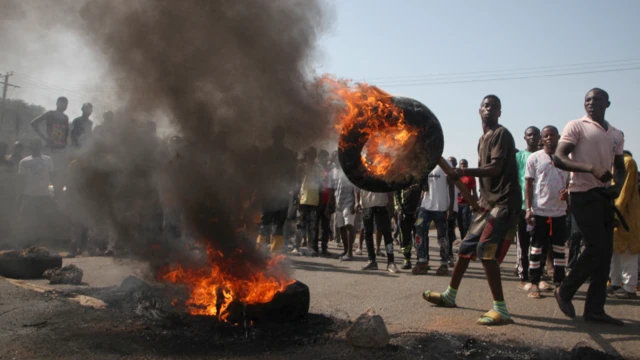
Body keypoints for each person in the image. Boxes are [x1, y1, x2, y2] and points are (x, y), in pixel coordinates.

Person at [423, 95, 520, 326]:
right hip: (488, 204)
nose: (490, 110)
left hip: (505, 202)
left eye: (494, 107)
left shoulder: (501, 134)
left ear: (499, 112)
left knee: (485, 249)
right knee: (466, 248)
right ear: (479, 111)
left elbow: (495, 169)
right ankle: (450, 295)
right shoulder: (482, 139)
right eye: (486, 106)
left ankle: (501, 309)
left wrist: (462, 173)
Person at [552, 88, 626, 326]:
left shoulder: (616, 133)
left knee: (605, 254)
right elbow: (559, 157)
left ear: (608, 103)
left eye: (597, 99)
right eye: (587, 99)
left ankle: (595, 310)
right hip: (581, 194)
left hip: (604, 197)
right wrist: (591, 169)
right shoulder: (576, 126)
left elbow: (620, 167)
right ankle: (564, 291)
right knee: (597, 246)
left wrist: (618, 186)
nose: (591, 103)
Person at [524, 125, 570, 299]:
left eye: (552, 135)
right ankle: (534, 282)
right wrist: (529, 209)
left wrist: (568, 192)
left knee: (559, 249)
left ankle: (559, 283)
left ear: (558, 137)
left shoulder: (566, 159)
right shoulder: (535, 158)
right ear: (541, 139)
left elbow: (570, 183)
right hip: (539, 211)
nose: (549, 138)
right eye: (546, 135)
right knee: (536, 249)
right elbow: (528, 185)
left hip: (559, 212)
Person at [256, 127, 297, 253]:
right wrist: (294, 193)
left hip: (269, 192)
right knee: (277, 223)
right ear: (282, 137)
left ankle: (260, 253)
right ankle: (274, 253)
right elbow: (293, 175)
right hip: (280, 193)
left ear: (272, 136)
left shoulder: (265, 152)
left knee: (266, 222)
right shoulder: (289, 154)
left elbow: (259, 174)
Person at [413, 161, 455, 276]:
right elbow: (423, 188)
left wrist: (450, 208)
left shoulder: (446, 164)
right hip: (425, 206)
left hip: (440, 207)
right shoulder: (425, 164)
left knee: (442, 237)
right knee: (419, 231)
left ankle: (443, 263)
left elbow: (451, 187)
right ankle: (422, 261)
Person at [608, 150, 639, 299]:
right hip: (613, 211)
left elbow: (624, 190)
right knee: (614, 250)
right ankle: (614, 283)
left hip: (625, 213)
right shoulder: (609, 162)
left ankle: (629, 287)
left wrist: (616, 213)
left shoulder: (627, 162)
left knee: (628, 251)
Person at [16, 140, 56, 246]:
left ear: (40, 147)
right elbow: (21, 180)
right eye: (34, 146)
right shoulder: (24, 161)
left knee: (45, 218)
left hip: (44, 195)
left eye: (38, 146)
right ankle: (28, 243)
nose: (36, 148)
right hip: (29, 195)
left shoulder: (48, 160)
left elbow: (52, 176)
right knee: (27, 220)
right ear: (30, 148)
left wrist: (55, 191)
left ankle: (44, 243)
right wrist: (20, 195)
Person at [515, 126, 541, 289]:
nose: (532, 137)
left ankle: (538, 274)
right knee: (523, 244)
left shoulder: (544, 156)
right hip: (523, 207)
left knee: (539, 243)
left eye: (535, 135)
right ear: (524, 137)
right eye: (529, 135)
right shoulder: (518, 157)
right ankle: (524, 274)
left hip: (541, 206)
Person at [30, 96, 69, 197]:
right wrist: (44, 138)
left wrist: (65, 146)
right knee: (48, 172)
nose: (64, 106)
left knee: (59, 175)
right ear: (57, 103)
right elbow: (33, 123)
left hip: (61, 149)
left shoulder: (65, 118)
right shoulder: (50, 114)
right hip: (51, 149)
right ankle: (43, 196)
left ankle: (57, 197)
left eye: (66, 104)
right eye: (62, 103)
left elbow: (66, 135)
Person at [358, 189, 399, 273]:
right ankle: (371, 261)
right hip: (366, 204)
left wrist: (391, 201)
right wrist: (357, 201)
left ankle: (391, 262)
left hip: (381, 204)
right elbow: (357, 187)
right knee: (367, 233)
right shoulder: (363, 175)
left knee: (387, 233)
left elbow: (389, 184)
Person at [292, 147, 323, 256]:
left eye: (313, 154)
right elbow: (297, 183)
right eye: (310, 154)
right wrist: (295, 198)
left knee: (312, 225)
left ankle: (310, 247)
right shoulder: (301, 167)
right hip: (303, 199)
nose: (311, 156)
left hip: (314, 200)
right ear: (307, 155)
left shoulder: (319, 169)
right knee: (300, 224)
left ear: (315, 156)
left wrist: (321, 200)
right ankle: (297, 247)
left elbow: (321, 186)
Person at [329, 160, 358, 260]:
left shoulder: (348, 171)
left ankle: (350, 253)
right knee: (341, 227)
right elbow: (332, 189)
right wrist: (331, 203)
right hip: (338, 203)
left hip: (349, 202)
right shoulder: (332, 172)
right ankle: (345, 251)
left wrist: (355, 202)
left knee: (349, 225)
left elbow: (355, 187)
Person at [394, 184, 421, 269]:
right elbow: (396, 195)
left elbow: (426, 192)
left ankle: (421, 260)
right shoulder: (401, 180)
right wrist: (399, 209)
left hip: (419, 215)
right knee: (404, 237)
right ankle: (406, 259)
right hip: (404, 214)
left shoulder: (420, 178)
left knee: (419, 235)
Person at [316, 150, 334, 256]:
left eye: (326, 156)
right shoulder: (316, 168)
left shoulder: (330, 169)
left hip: (327, 201)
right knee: (315, 225)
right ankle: (314, 248)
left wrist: (331, 202)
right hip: (316, 200)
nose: (324, 158)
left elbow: (332, 187)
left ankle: (324, 248)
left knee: (325, 226)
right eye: (322, 156)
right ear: (318, 157)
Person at [457, 159, 477, 241]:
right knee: (460, 224)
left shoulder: (471, 176)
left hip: (467, 203)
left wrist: (475, 203)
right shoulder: (457, 176)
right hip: (457, 203)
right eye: (461, 164)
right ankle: (462, 241)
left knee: (466, 223)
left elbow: (474, 191)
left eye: (465, 164)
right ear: (459, 165)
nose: (463, 165)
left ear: (467, 165)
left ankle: (466, 241)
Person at [0, 143, 15, 243]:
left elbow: (12, 180)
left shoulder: (9, 163)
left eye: (3, 149)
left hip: (6, 195)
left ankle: (6, 241)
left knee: (6, 218)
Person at [446, 156, 459, 264]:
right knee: (444, 233)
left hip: (453, 208)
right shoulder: (444, 174)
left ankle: (449, 254)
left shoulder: (456, 175)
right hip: (443, 207)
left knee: (450, 232)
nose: (451, 165)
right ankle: (445, 255)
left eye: (453, 163)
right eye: (449, 163)